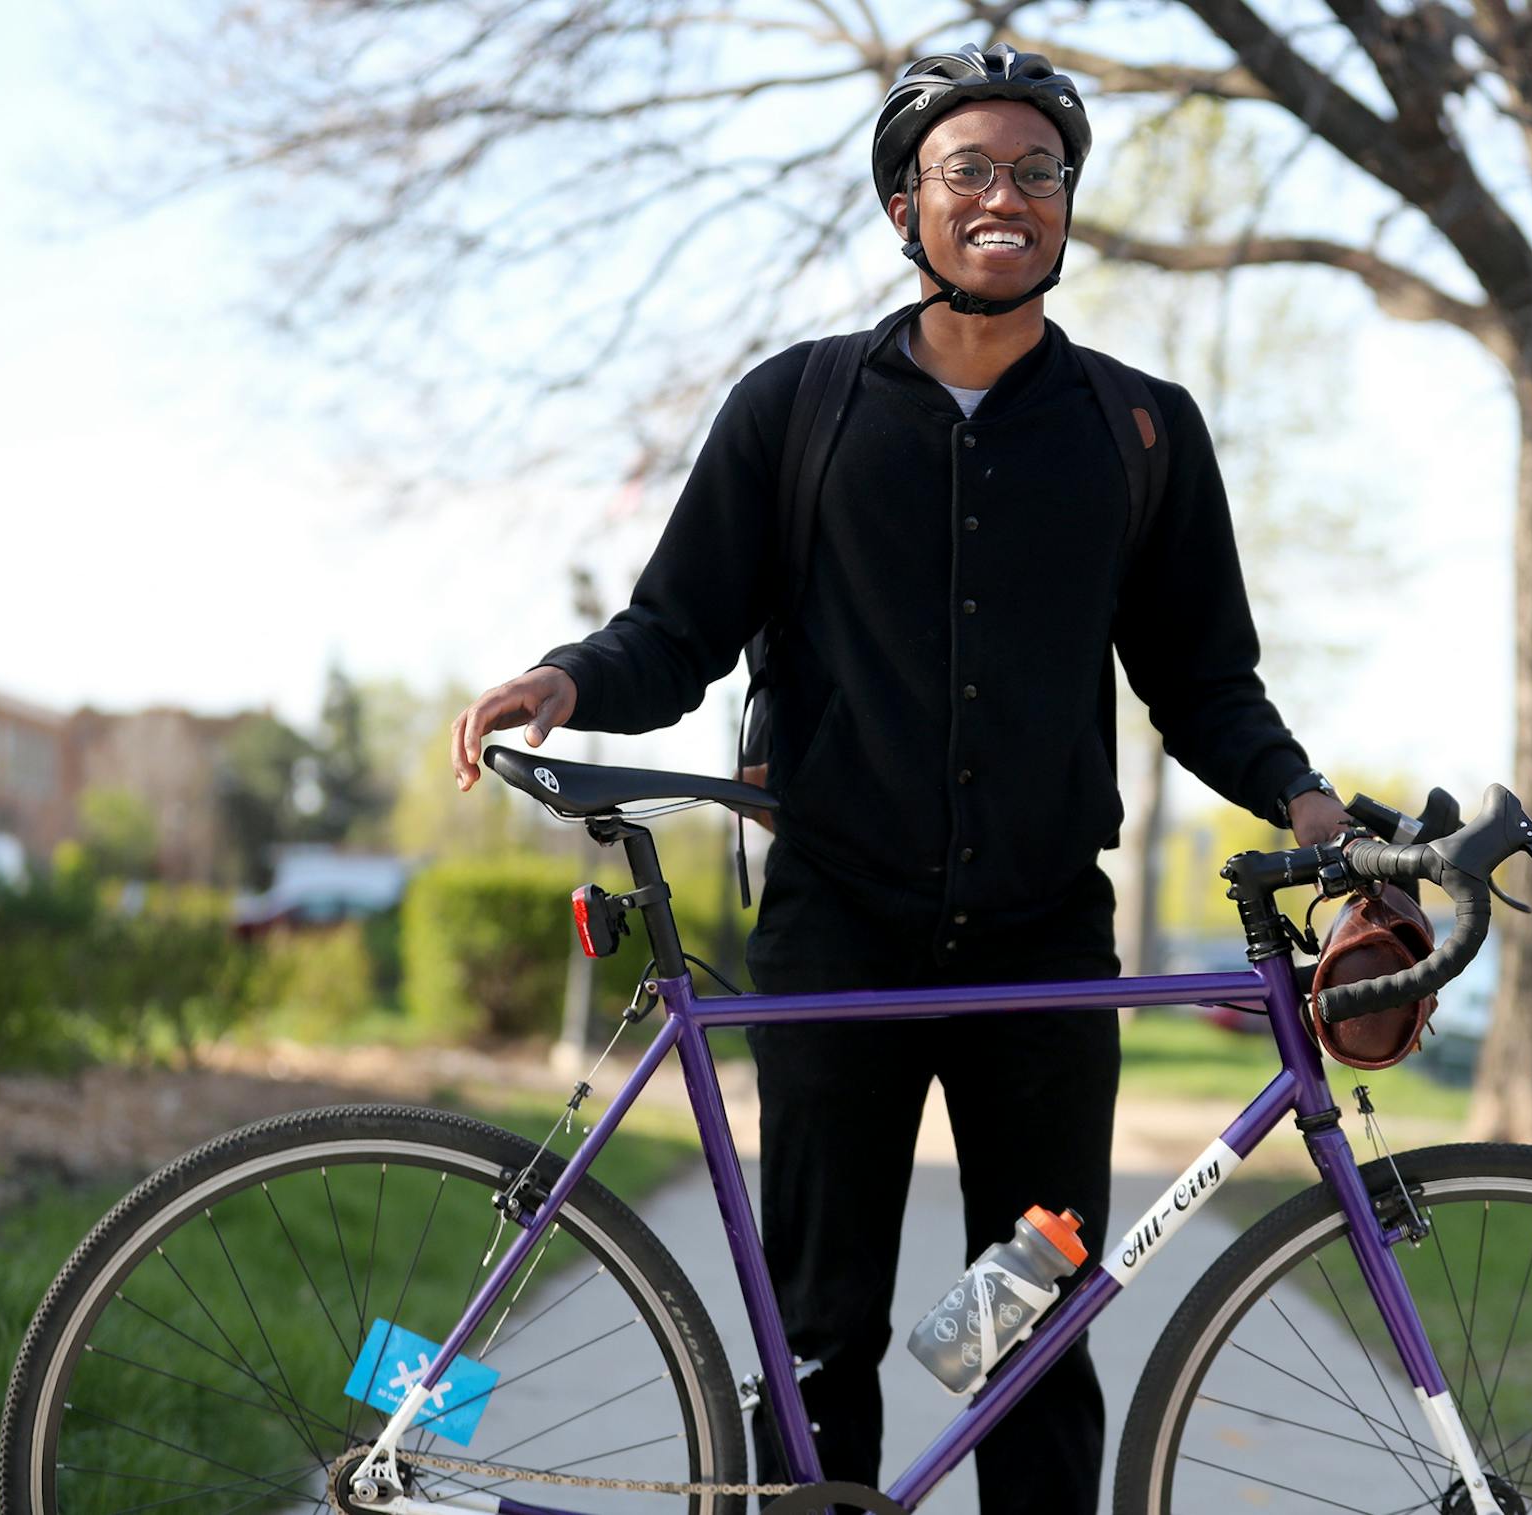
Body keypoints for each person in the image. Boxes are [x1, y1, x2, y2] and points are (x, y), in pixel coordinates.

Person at [449, 43, 1349, 1515]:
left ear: (1068, 208)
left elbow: (1203, 686)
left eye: (1037, 173)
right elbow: (675, 627)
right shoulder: (798, 411)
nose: (1006, 197)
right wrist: (567, 683)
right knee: (820, 1344)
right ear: (903, 205)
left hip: (1041, 961)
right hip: (833, 936)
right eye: (969, 173)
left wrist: (1311, 808)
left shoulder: (1138, 433)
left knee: (1028, 1336)